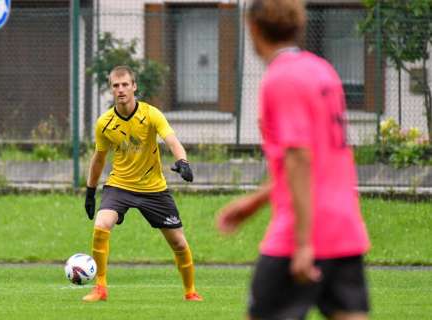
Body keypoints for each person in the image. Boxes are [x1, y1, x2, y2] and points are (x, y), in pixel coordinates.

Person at [216, 0, 371, 319]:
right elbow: (317, 158)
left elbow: (299, 157)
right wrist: (257, 201)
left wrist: (303, 244)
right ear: (298, 26)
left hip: (298, 235)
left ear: (253, 27)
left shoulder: (280, 79)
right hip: (343, 228)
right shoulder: (322, 71)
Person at [83, 65, 203, 302]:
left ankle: (190, 292)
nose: (121, 90)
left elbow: (172, 140)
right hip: (120, 185)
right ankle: (100, 288)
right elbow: (98, 159)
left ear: (134, 86)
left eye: (125, 84)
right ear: (111, 89)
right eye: (116, 86)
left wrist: (183, 161)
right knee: (102, 223)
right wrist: (90, 190)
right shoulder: (104, 123)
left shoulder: (151, 114)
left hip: (153, 189)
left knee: (178, 242)